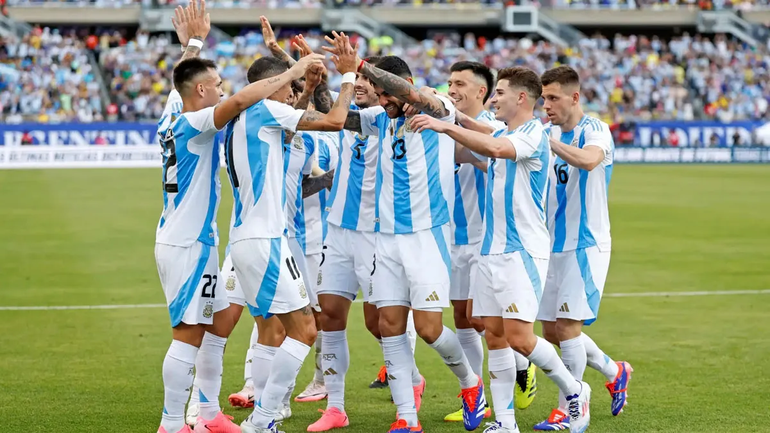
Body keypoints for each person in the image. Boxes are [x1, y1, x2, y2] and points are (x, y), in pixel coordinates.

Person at [153, 1, 324, 432]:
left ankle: (207, 412)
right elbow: (246, 97)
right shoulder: (198, 123)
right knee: (189, 334)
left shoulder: (174, 116)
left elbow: (183, 81)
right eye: (216, 85)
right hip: (189, 241)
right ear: (201, 94)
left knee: (209, 324)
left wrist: (192, 44)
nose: (222, 89)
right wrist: (290, 70)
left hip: (193, 238)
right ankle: (173, 422)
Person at [409, 66, 591, 433]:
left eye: (500, 94)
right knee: (494, 334)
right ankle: (506, 423)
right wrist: (438, 104)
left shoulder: (534, 135)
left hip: (520, 251)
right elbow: (477, 126)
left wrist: (444, 125)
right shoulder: (506, 129)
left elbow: (493, 146)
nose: (493, 99)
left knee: (520, 337)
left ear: (521, 98)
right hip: (490, 250)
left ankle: (575, 391)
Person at [326, 36, 486, 432]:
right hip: (385, 239)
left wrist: (359, 65)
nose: (382, 101)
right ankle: (406, 417)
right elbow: (337, 117)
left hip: (426, 237)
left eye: (386, 94)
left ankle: (471, 384)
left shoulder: (439, 108)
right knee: (389, 326)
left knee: (429, 328)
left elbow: (417, 96)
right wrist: (318, 84)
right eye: (378, 96)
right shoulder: (379, 118)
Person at [226, 32, 358, 433]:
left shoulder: (247, 117)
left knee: (274, 327)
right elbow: (335, 121)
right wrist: (348, 76)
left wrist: (309, 86)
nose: (292, 94)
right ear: (271, 87)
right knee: (303, 330)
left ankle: (267, 411)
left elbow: (288, 125)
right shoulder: (267, 110)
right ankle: (263, 417)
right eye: (288, 88)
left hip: (251, 237)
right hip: (268, 240)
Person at [307, 57, 423, 432]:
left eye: (364, 79)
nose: (358, 84)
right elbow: (328, 109)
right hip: (338, 231)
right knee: (331, 317)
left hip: (375, 235)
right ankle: (336, 407)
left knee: (382, 325)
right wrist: (324, 78)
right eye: (355, 79)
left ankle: (409, 400)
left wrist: (355, 72)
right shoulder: (351, 115)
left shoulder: (389, 122)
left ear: (384, 85)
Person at [533, 65, 632, 431]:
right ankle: (614, 370)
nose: (547, 105)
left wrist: (550, 144)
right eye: (543, 98)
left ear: (574, 97)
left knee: (569, 327)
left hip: (585, 243)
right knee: (550, 332)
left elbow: (590, 161)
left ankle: (569, 407)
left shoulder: (594, 130)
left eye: (553, 98)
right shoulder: (544, 130)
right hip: (550, 244)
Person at [441, 60, 536, 423]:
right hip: (453, 234)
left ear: (482, 91)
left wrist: (448, 124)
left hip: (487, 237)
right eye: (449, 82)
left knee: (483, 321)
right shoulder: (449, 125)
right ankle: (476, 395)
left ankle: (522, 366)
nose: (452, 89)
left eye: (460, 83)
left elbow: (488, 151)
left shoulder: (497, 128)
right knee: (463, 319)